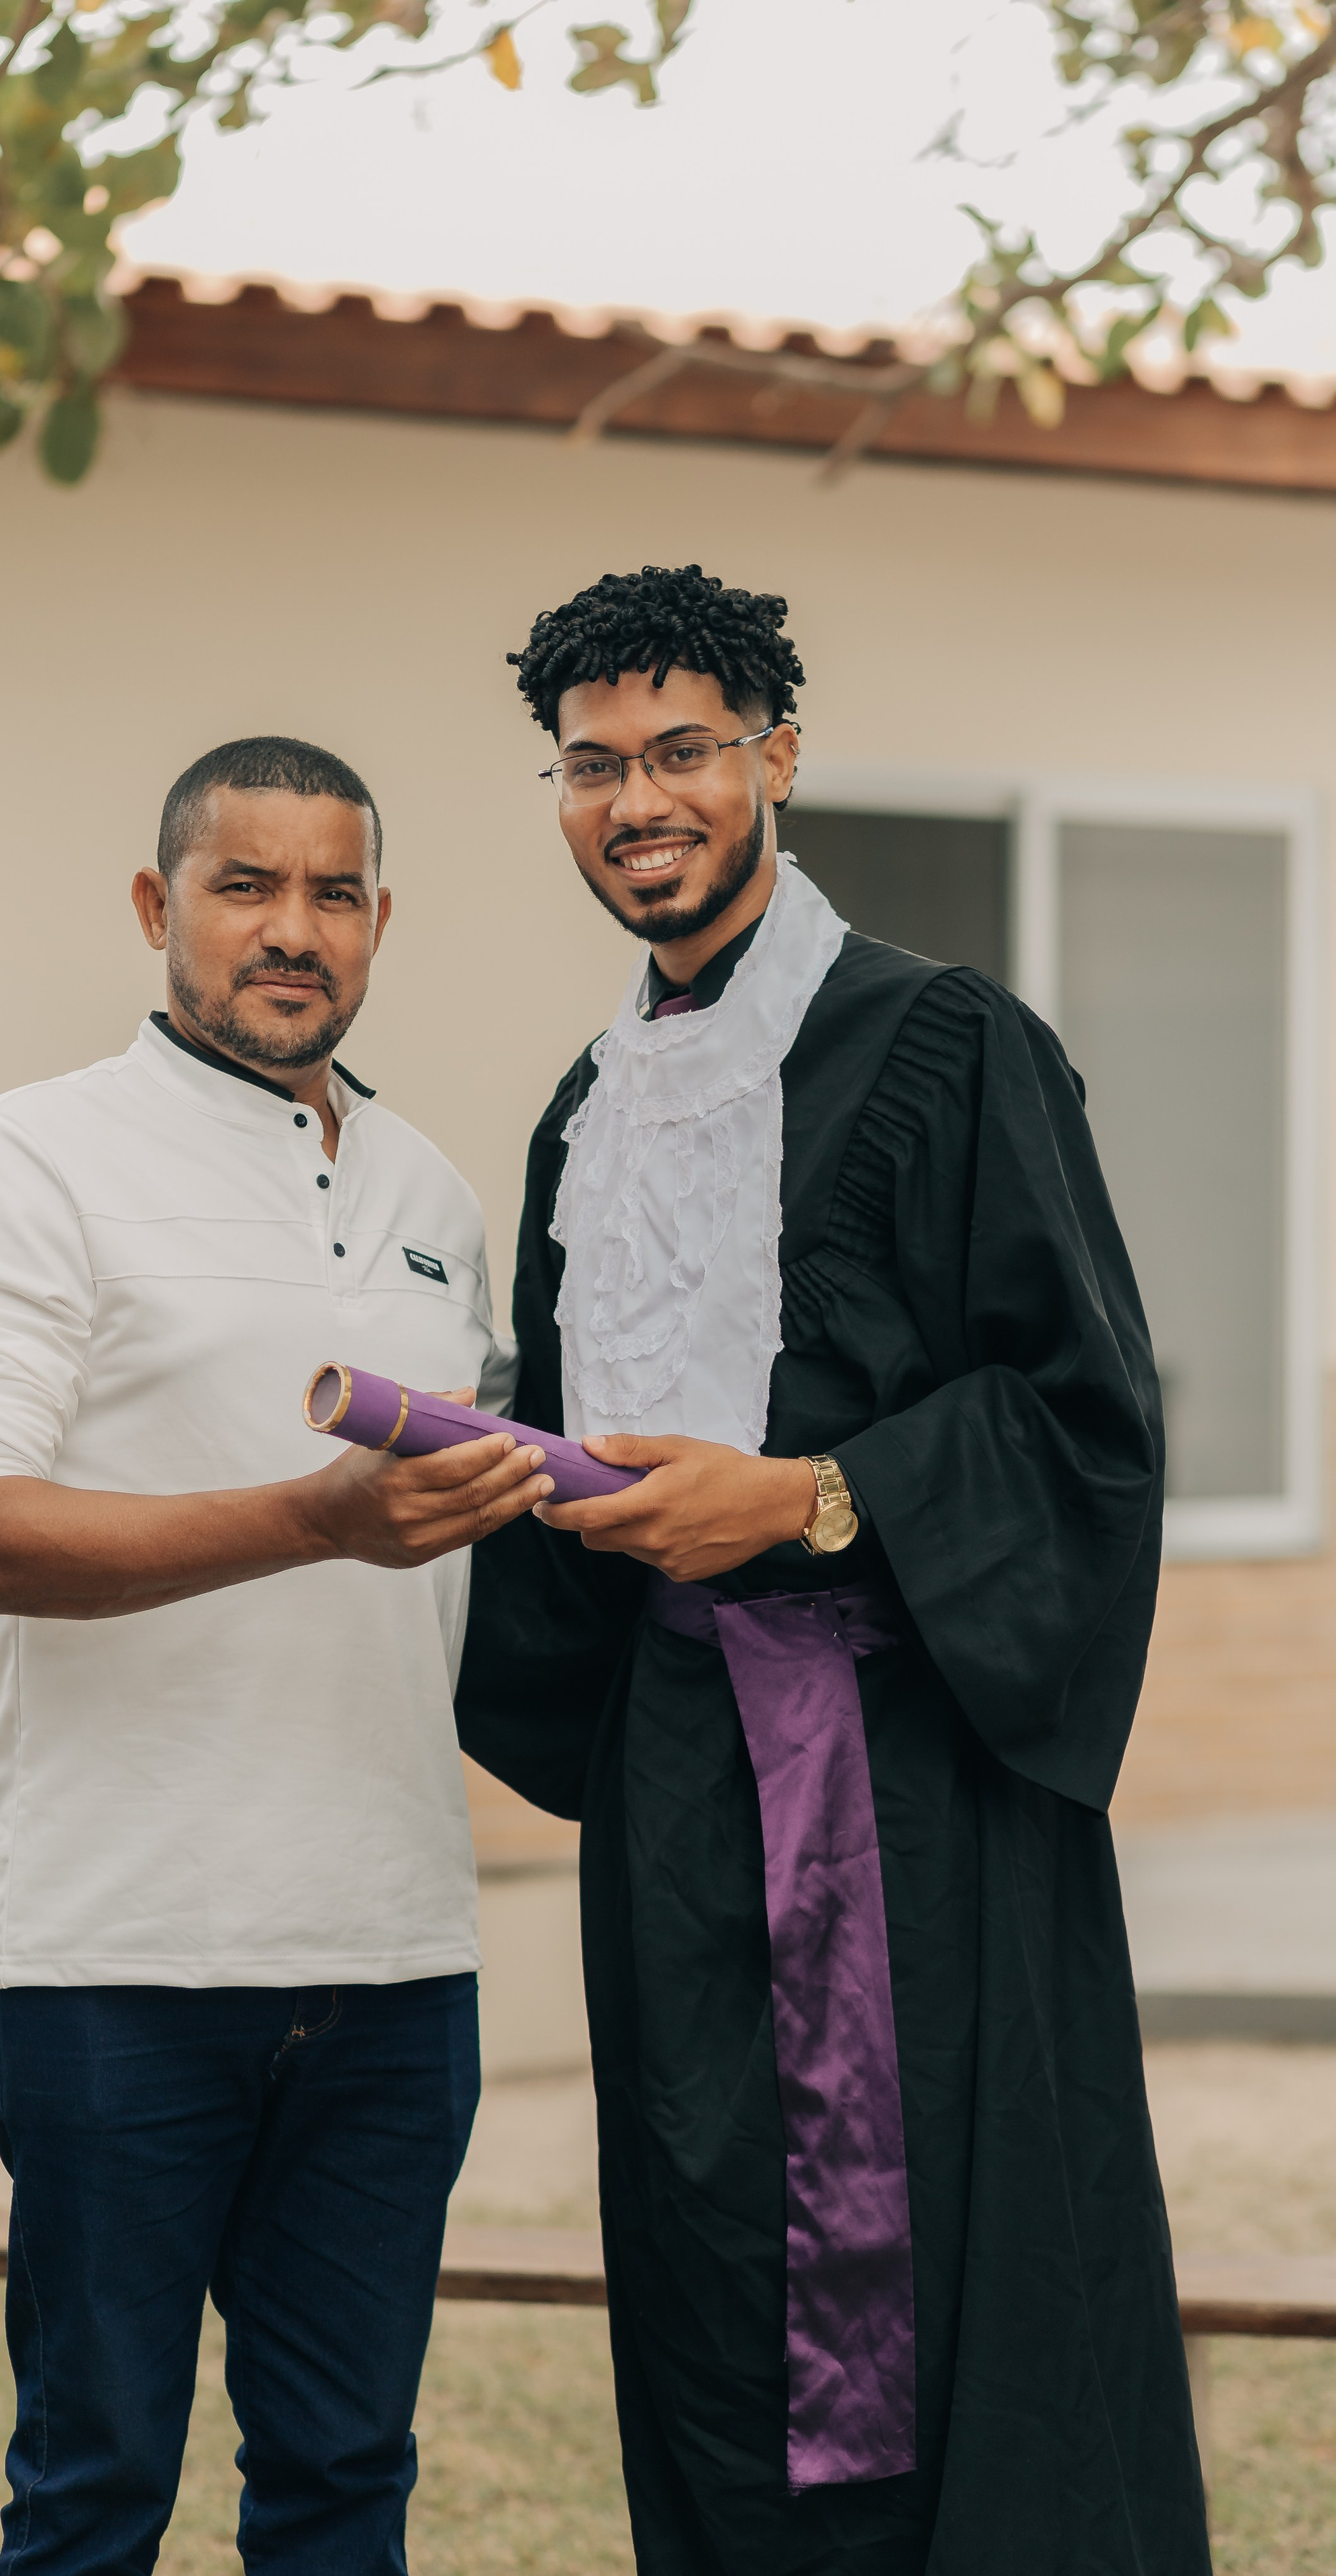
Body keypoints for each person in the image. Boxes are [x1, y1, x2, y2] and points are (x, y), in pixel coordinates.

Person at [456, 567, 1209, 2575]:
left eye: (684, 750)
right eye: (594, 765)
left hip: (911, 1781)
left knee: (934, 2264)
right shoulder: (583, 1117)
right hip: (682, 1781)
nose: (640, 800)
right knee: (712, 2251)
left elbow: (1089, 1419)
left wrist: (808, 1502)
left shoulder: (952, 1048)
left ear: (778, 758)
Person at [0, 735, 549, 2576]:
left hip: (399, 1959)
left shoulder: (427, 1189)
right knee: (95, 2492)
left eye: (333, 892)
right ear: (153, 905)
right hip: (122, 1961)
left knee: (346, 2484)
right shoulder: (28, 1158)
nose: (291, 929)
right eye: (243, 884)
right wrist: (311, 1520)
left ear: (382, 921)